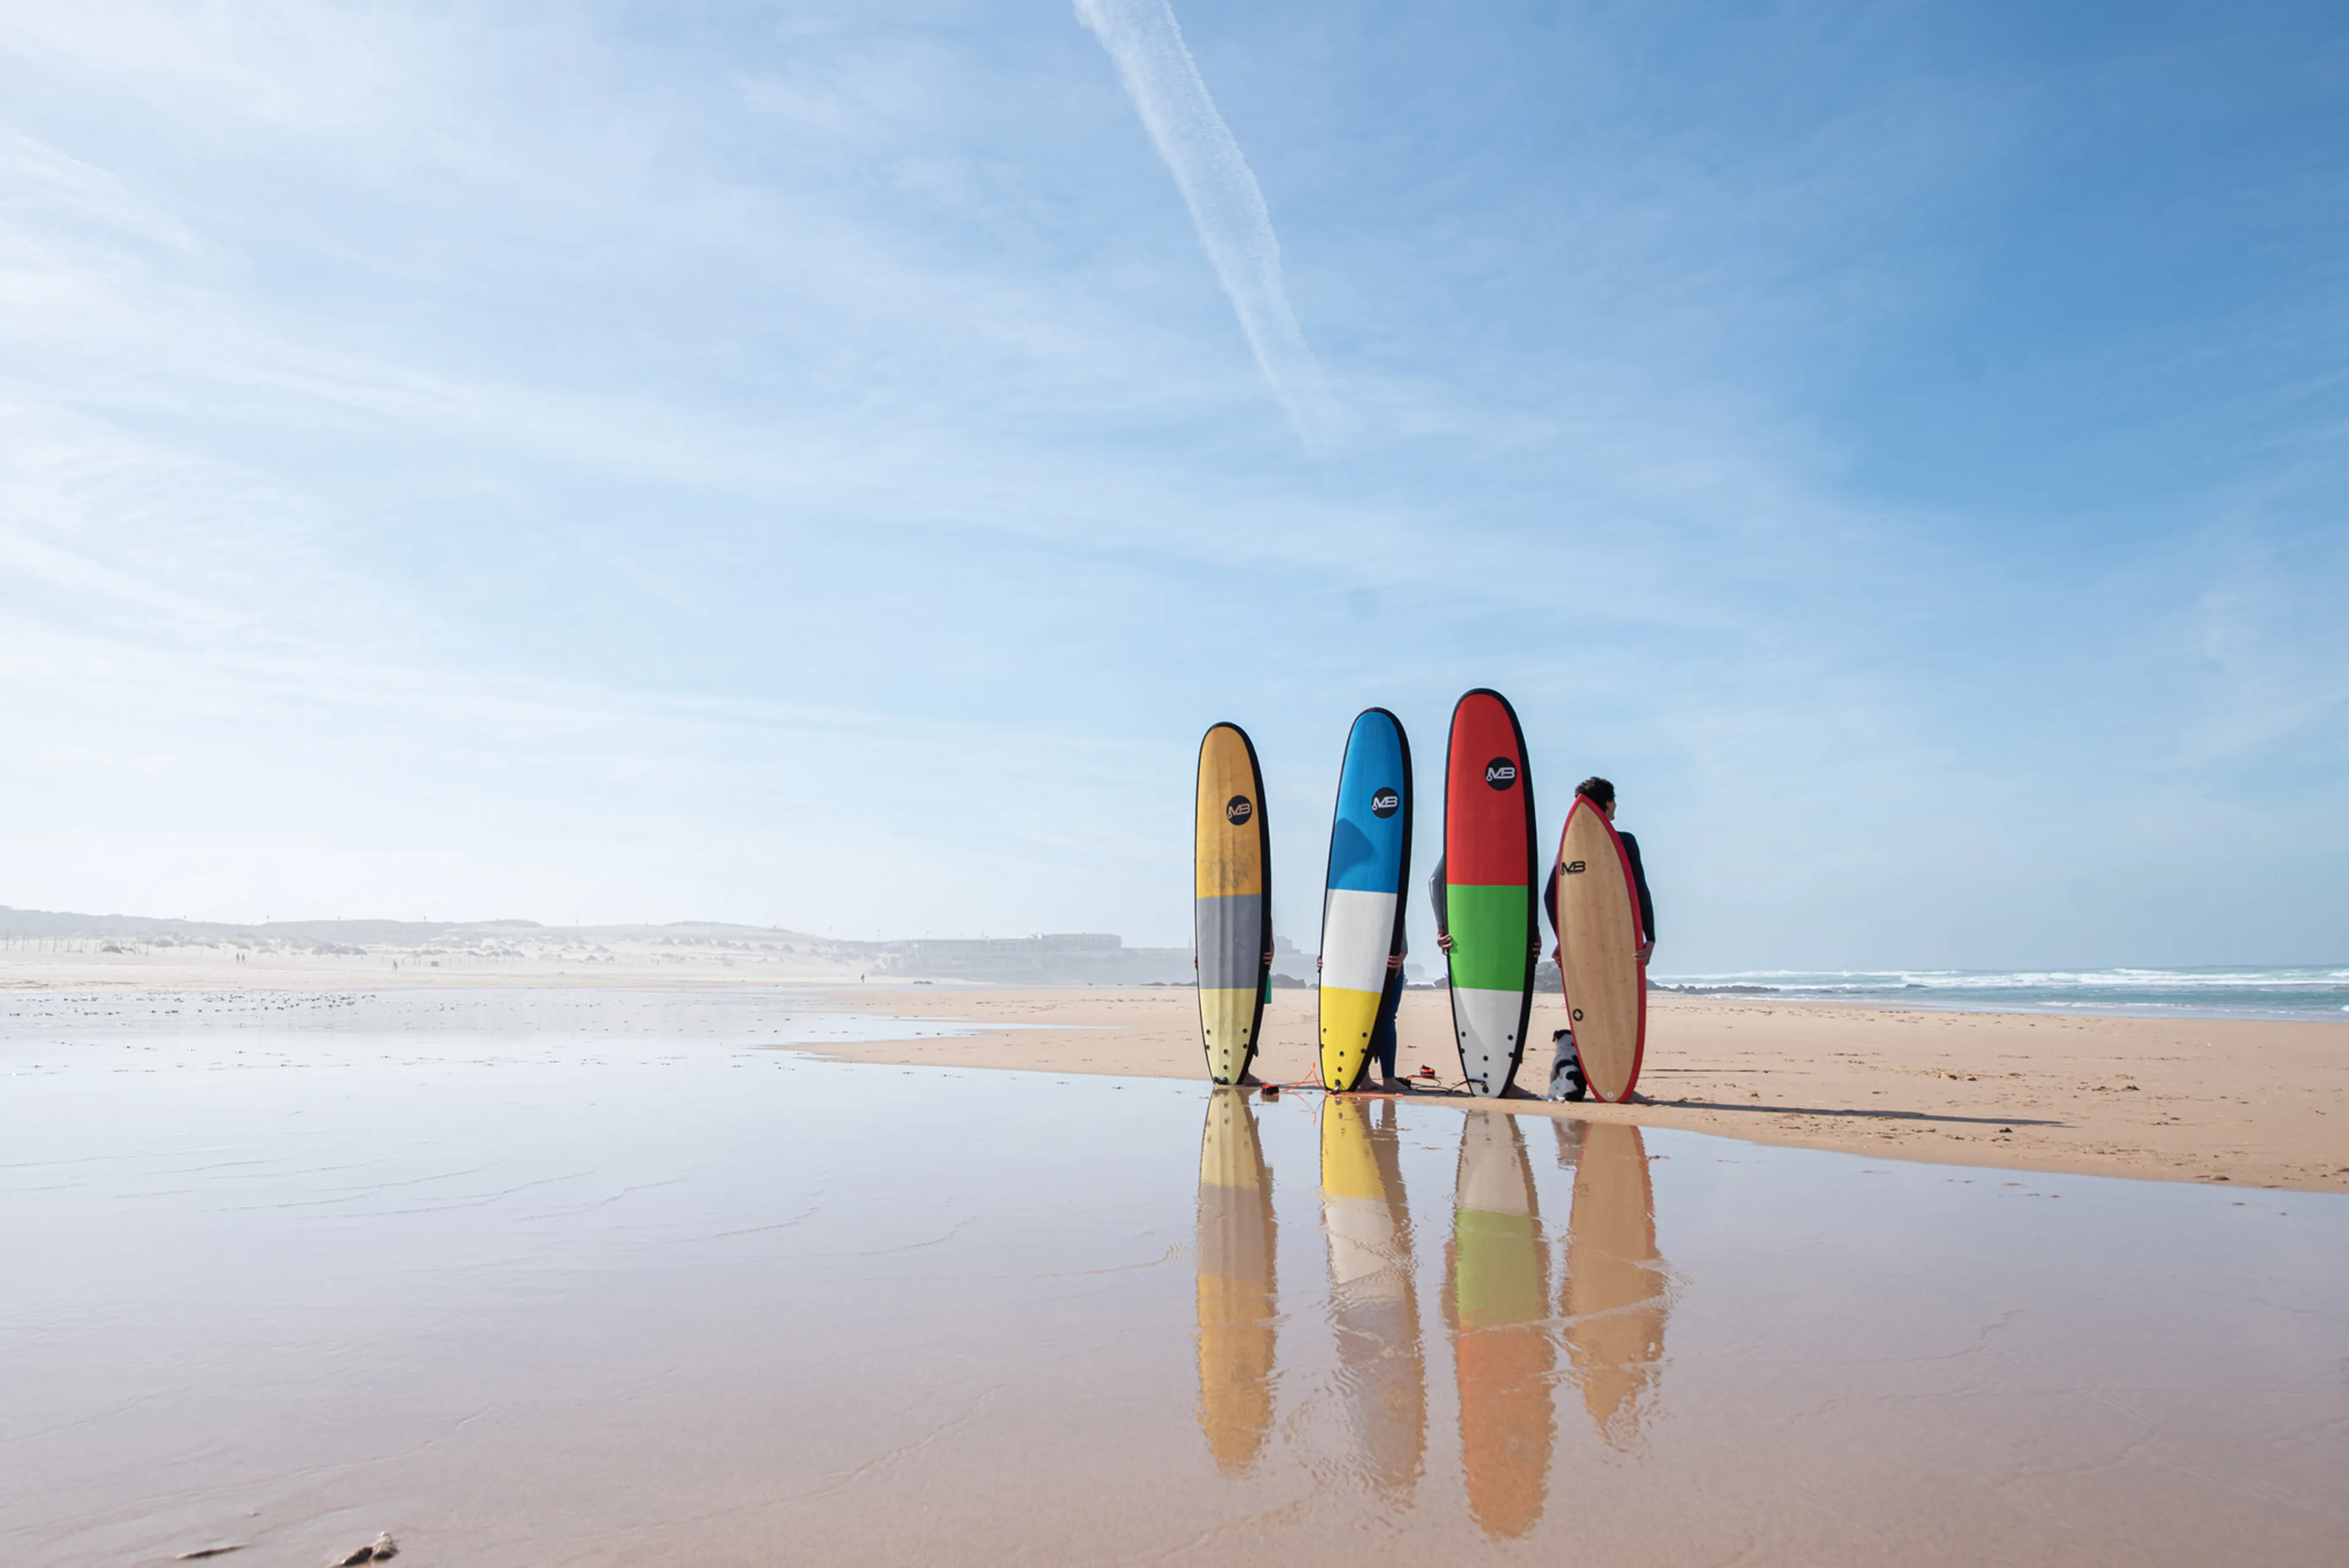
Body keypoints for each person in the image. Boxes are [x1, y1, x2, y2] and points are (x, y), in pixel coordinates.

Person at [1543, 776, 1653, 1100]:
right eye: (1614, 801)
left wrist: (1564, 939)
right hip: (1621, 945)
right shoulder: (1625, 842)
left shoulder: (1569, 850)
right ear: (1606, 804)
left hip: (1583, 948)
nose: (1616, 806)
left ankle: (1597, 1080)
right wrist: (1650, 937)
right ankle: (1617, 1085)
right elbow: (1640, 892)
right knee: (1618, 1011)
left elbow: (1551, 896)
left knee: (1592, 1011)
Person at [1429, 853, 1544, 1096]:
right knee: (1505, 1009)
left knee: (1490, 1008)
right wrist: (1533, 928)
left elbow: (1434, 881)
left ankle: (1492, 1077)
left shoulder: (1469, 841)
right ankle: (1502, 1081)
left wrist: (1442, 925)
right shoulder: (1508, 837)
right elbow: (1527, 886)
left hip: (1469, 930)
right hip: (1509, 930)